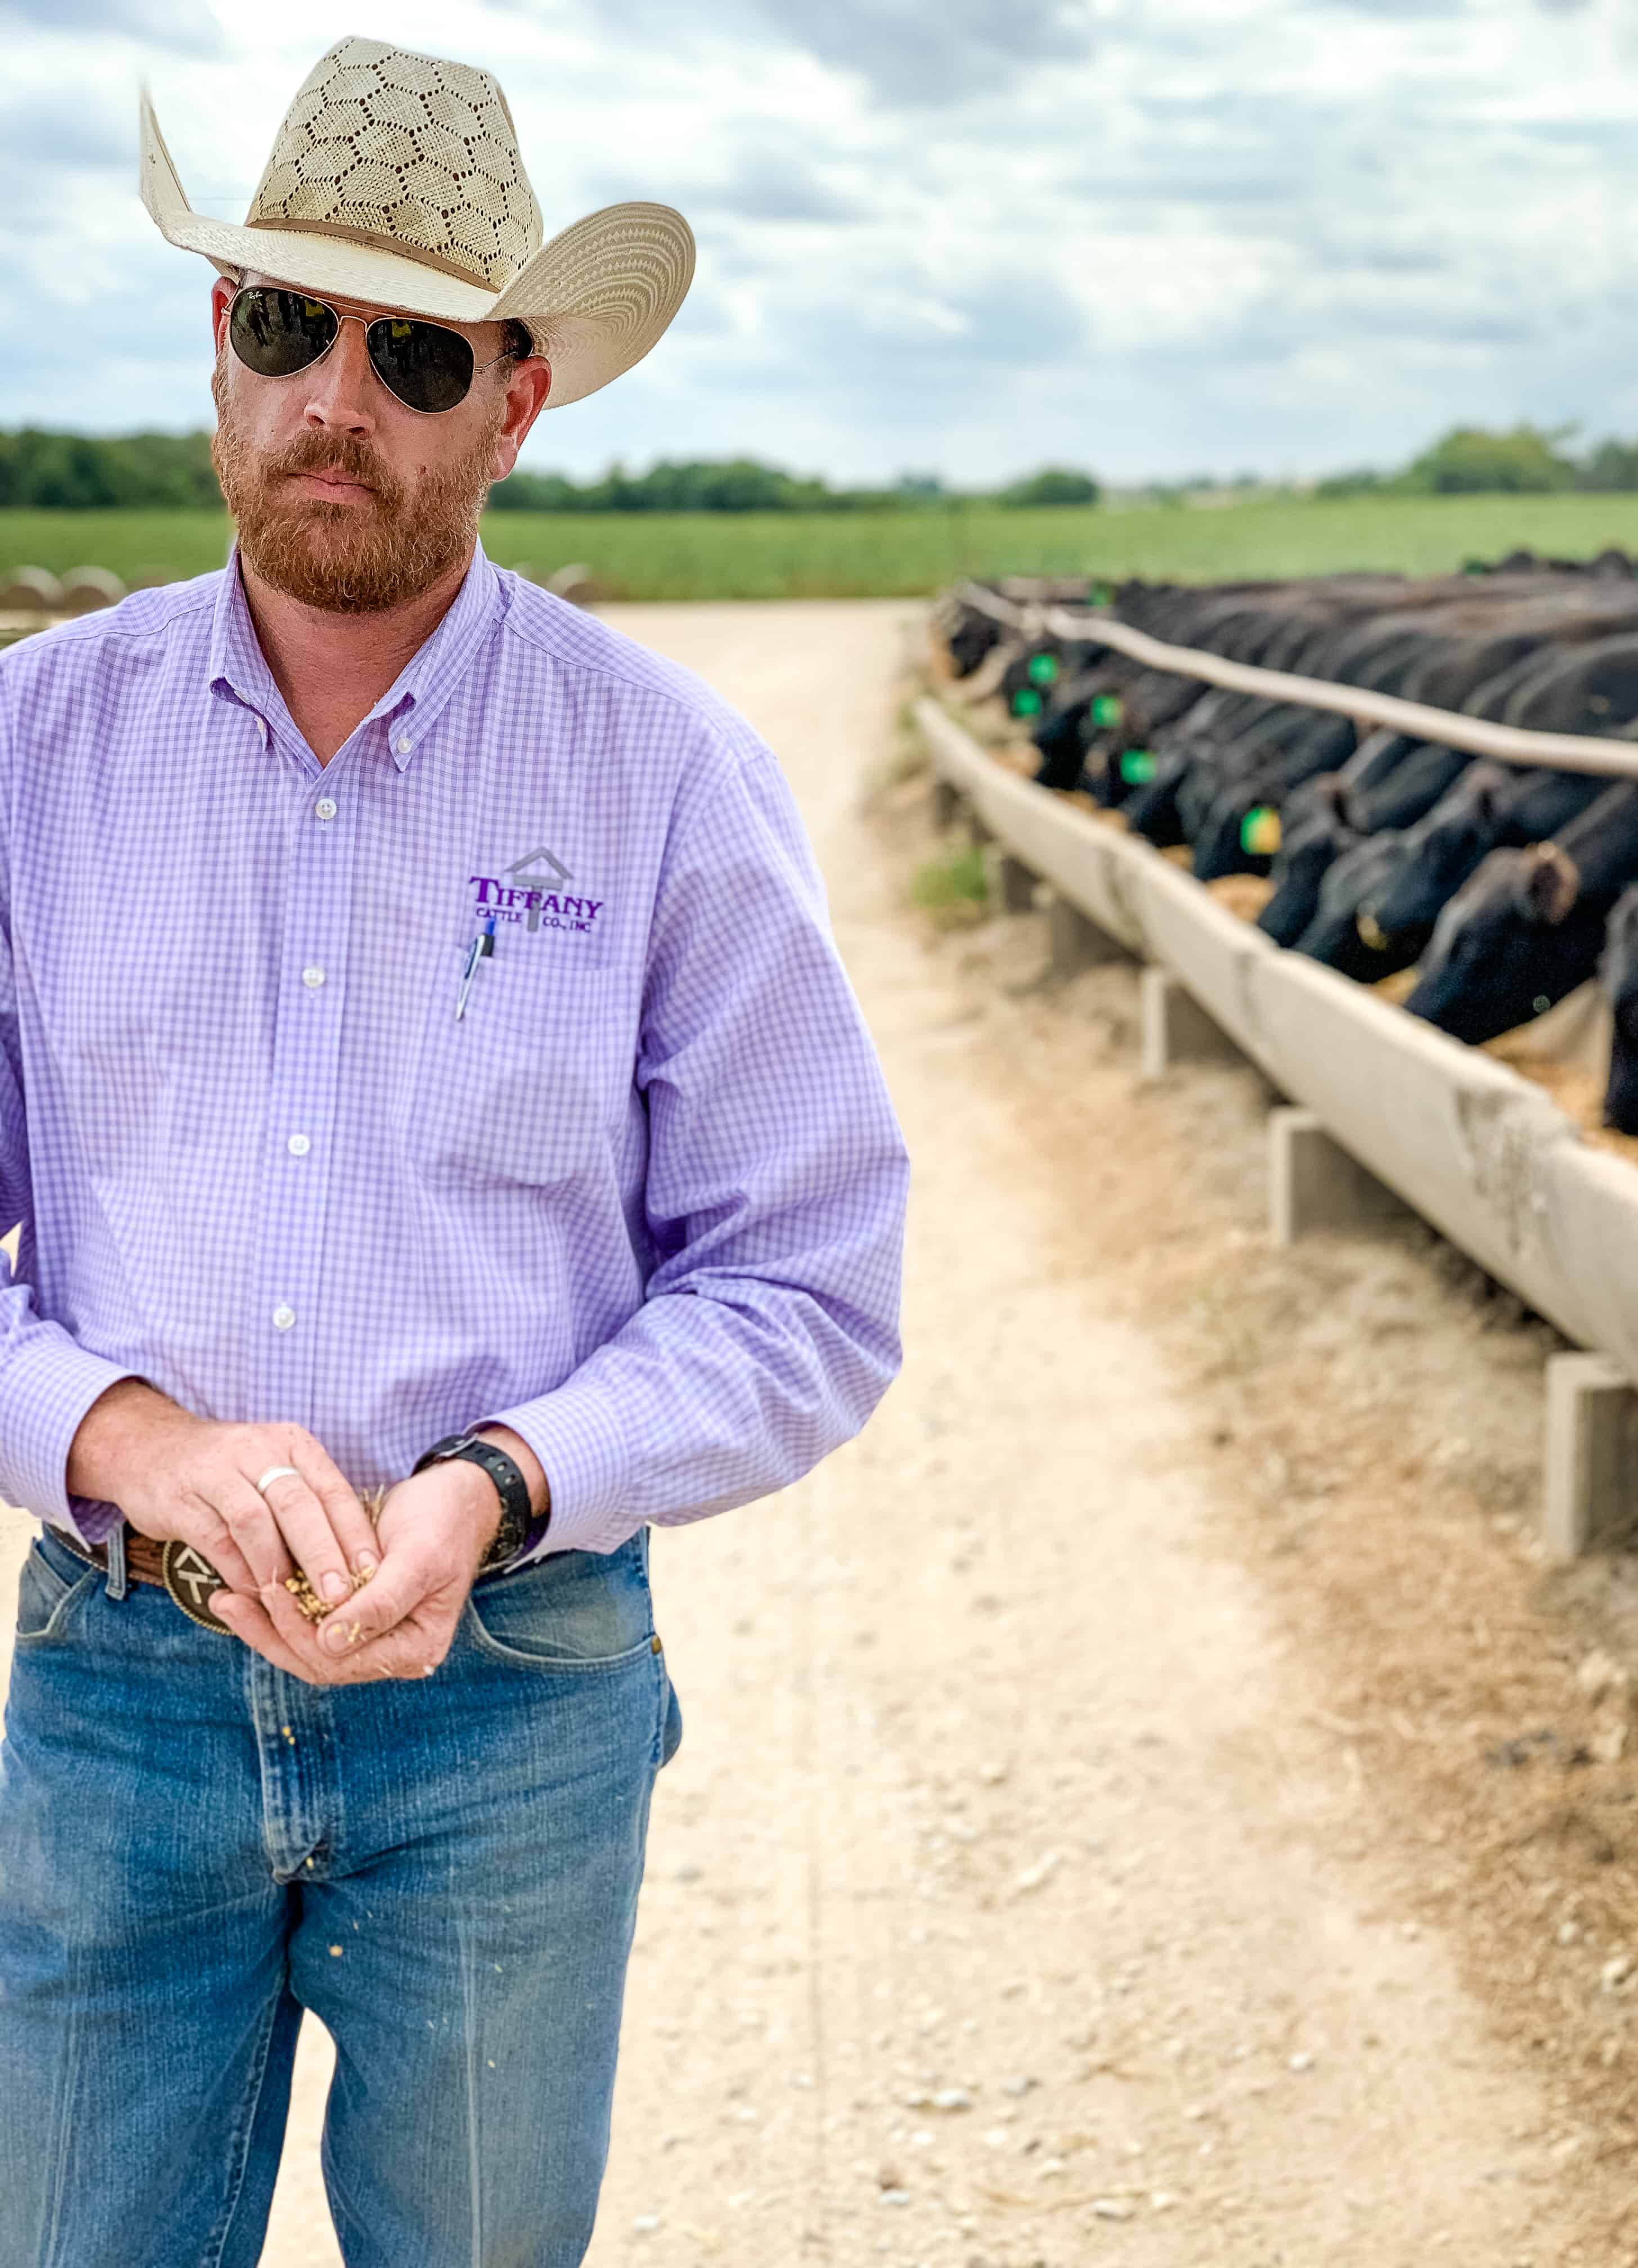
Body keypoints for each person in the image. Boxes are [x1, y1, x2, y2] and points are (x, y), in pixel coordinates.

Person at [0, 36, 907, 2268]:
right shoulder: (28, 750)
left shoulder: (669, 778)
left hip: (515, 1701)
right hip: (118, 1693)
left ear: (516, 398)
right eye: (284, 324)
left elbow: (810, 1279)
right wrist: (114, 1432)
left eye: (410, 350)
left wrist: (502, 1477)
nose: (337, 395)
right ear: (220, 344)